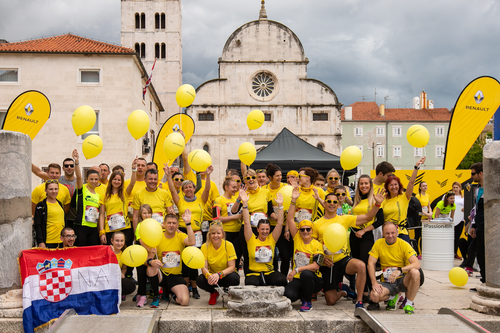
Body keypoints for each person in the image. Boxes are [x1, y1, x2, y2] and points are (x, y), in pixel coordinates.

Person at [309, 189, 385, 308]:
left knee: (360, 265)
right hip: (327, 263)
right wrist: (321, 259)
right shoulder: (316, 223)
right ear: (324, 203)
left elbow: (367, 218)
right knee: (330, 301)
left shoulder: (344, 219)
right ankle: (343, 291)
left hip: (343, 259)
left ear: (338, 204)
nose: (331, 204)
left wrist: (377, 204)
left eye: (334, 202)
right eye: (328, 201)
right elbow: (312, 246)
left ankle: (359, 301)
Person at [165, 163, 213, 299]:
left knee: (194, 259)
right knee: (184, 260)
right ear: (183, 190)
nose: (188, 189)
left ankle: (195, 287)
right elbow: (172, 190)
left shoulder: (201, 200)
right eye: (185, 187)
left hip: (197, 232)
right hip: (181, 231)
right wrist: (168, 176)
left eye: (190, 187)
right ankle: (185, 286)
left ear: (194, 188)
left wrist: (208, 176)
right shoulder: (180, 201)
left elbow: (207, 190)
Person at [368, 222, 421, 314]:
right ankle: (393, 296)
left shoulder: (404, 244)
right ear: (383, 234)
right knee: (374, 296)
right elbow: (370, 263)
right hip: (387, 281)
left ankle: (409, 303)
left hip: (402, 280)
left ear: (397, 232)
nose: (390, 235)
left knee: (415, 272)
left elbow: (416, 264)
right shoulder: (378, 243)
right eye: (387, 233)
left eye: (392, 233)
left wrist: (400, 270)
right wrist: (374, 282)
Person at [146, 211, 195, 307]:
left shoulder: (180, 236)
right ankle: (157, 296)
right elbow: (147, 260)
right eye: (169, 223)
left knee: (184, 301)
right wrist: (152, 262)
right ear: (164, 224)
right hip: (162, 274)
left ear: (177, 225)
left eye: (174, 223)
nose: (171, 225)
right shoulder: (157, 237)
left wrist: (188, 223)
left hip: (175, 276)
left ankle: (168, 291)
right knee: (150, 268)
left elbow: (192, 242)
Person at [350, 175, 385, 306]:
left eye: (366, 183)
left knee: (366, 264)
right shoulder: (355, 200)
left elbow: (380, 220)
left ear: (370, 185)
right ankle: (363, 292)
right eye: (361, 183)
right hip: (353, 235)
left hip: (366, 235)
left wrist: (364, 230)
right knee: (358, 265)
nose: (364, 186)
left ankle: (373, 293)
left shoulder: (374, 200)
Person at [232, 168, 273, 274]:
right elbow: (234, 211)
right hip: (248, 228)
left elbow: (270, 211)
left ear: (256, 178)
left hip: (263, 229)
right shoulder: (244, 193)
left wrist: (280, 219)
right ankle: (249, 278)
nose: (251, 180)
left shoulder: (266, 192)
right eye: (247, 178)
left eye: (253, 177)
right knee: (247, 254)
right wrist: (239, 198)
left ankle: (267, 275)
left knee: (266, 252)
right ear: (245, 181)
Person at [242, 190, 286, 286]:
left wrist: (280, 206)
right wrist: (245, 203)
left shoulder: (272, 238)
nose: (265, 231)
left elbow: (280, 223)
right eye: (262, 229)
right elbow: (246, 222)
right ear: (257, 229)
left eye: (267, 229)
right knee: (250, 283)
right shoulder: (251, 238)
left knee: (282, 280)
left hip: (269, 272)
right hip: (254, 273)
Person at [284, 217, 324, 312]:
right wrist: (293, 201)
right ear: (299, 231)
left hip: (314, 279)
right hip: (298, 279)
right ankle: (303, 294)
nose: (305, 231)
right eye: (302, 229)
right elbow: (290, 219)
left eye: (308, 229)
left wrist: (297, 270)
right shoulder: (297, 238)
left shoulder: (317, 245)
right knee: (289, 295)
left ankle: (308, 301)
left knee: (305, 273)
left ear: (312, 230)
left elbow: (316, 266)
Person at [382, 157, 425, 243]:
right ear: (387, 187)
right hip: (388, 235)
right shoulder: (383, 200)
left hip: (402, 233)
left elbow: (412, 181)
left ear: (399, 185)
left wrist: (416, 167)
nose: (394, 187)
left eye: (395, 184)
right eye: (391, 185)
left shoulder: (404, 197)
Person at [196, 222, 241, 305]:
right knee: (200, 280)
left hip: (225, 275)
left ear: (223, 235)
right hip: (212, 277)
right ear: (209, 235)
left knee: (235, 278)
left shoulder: (229, 245)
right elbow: (204, 267)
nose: (215, 235)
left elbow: (232, 267)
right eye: (213, 233)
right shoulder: (204, 246)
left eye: (218, 233)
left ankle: (229, 291)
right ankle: (213, 293)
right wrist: (209, 276)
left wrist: (218, 274)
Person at [99, 159, 138, 248]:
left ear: (122, 182)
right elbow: (102, 214)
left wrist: (134, 169)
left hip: (125, 229)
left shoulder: (125, 193)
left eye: (119, 180)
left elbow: (132, 182)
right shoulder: (104, 195)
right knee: (112, 256)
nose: (116, 181)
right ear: (111, 180)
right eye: (115, 179)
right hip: (110, 230)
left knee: (125, 255)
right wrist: (102, 232)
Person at [263, 164, 291, 274]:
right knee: (272, 256)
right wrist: (274, 216)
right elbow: (266, 208)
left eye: (280, 175)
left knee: (285, 255)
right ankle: (273, 276)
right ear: (270, 177)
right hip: (269, 227)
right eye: (277, 176)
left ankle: (283, 277)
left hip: (283, 226)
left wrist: (286, 229)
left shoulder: (285, 187)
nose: (280, 178)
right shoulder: (264, 189)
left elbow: (290, 209)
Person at [213, 176, 243, 270]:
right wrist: (234, 217)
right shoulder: (219, 200)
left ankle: (235, 273)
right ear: (226, 187)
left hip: (237, 232)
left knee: (237, 255)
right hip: (225, 232)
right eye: (233, 187)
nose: (235, 189)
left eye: (236, 187)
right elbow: (215, 218)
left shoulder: (237, 199)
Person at [73, 150, 101, 246]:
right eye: (91, 179)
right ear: (87, 179)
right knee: (80, 252)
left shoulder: (98, 195)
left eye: (96, 179)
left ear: (99, 180)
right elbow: (79, 176)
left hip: (93, 227)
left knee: (92, 252)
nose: (94, 181)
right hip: (81, 226)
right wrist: (76, 162)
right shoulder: (82, 189)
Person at [132, 168, 174, 233]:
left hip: (162, 231)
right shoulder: (138, 194)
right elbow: (135, 216)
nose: (153, 181)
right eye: (150, 179)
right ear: (144, 180)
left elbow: (171, 213)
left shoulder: (165, 193)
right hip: (146, 231)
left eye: (155, 179)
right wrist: (135, 233)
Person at [33, 180, 66, 248]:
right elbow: (38, 224)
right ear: (46, 190)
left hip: (61, 242)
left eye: (55, 189)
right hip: (48, 242)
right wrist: (40, 242)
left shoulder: (59, 203)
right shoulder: (41, 205)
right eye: (51, 189)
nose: (54, 191)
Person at [134, 204, 153, 307]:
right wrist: (149, 249)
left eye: (149, 213)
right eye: (144, 213)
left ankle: (148, 292)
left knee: (149, 273)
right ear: (141, 215)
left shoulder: (153, 224)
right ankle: (142, 295)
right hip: (141, 250)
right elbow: (140, 240)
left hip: (150, 251)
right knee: (141, 273)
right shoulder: (140, 225)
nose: (147, 215)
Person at [469, 163, 485, 284]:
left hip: (489, 227)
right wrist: (473, 225)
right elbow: (476, 209)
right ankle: (484, 280)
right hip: (479, 226)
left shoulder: (491, 188)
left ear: (481, 173)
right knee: (480, 254)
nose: (471, 176)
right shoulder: (478, 189)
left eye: (473, 173)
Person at [109, 231, 136, 299]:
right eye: (117, 241)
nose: (119, 243)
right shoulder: (108, 251)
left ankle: (119, 294)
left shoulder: (124, 253)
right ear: (112, 241)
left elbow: (124, 268)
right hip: (108, 278)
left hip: (117, 277)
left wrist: (122, 273)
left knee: (131, 285)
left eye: (121, 241)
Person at [451, 182, 465, 259]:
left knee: (457, 236)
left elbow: (467, 206)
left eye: (457, 187)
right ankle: (450, 253)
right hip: (451, 220)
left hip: (461, 219)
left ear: (460, 188)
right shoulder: (450, 196)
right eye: (454, 187)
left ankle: (455, 253)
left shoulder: (463, 197)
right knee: (450, 237)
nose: (455, 189)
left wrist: (464, 209)